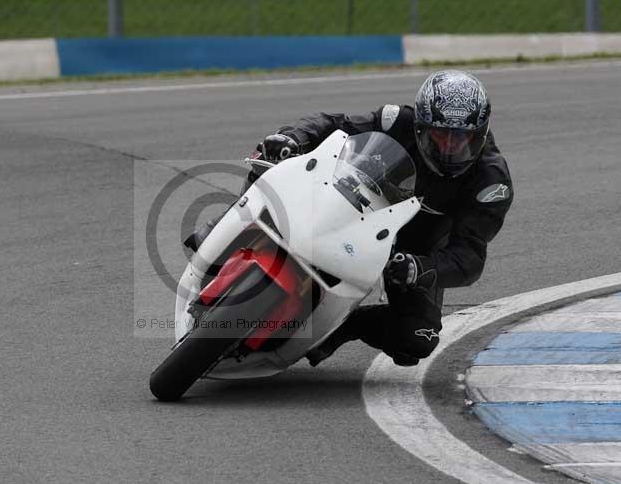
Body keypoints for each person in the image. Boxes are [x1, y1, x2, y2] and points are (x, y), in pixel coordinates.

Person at [187, 70, 514, 367]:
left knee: (416, 338)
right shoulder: (396, 120)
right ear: (420, 126)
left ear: (481, 135)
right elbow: (333, 124)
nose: (449, 149)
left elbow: (469, 256)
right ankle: (228, 227)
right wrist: (293, 138)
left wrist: (421, 268)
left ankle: (345, 326)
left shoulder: (490, 183)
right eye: (440, 136)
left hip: (416, 249)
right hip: (356, 206)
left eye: (462, 139)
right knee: (272, 159)